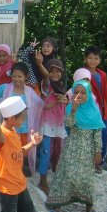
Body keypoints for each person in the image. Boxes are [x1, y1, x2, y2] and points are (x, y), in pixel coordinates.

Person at [47, 79, 104, 212]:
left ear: (89, 94)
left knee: (86, 177)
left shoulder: (94, 111)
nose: (79, 95)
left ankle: (89, 205)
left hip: (87, 150)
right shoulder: (70, 108)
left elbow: (97, 134)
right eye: (76, 92)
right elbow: (69, 124)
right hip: (72, 147)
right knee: (66, 174)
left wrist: (98, 152)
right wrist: (73, 110)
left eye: (83, 93)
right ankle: (56, 203)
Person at [0, 62, 43, 175]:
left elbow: (40, 105)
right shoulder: (5, 88)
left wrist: (56, 103)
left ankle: (18, 171)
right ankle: (9, 171)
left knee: (21, 152)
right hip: (8, 129)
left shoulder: (30, 91)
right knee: (9, 151)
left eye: (19, 76)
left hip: (24, 128)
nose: (16, 79)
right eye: (14, 76)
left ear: (26, 77)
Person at [37, 59, 69, 194]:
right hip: (46, 124)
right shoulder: (46, 85)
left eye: (58, 71)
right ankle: (42, 181)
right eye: (51, 71)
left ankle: (56, 173)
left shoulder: (61, 86)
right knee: (46, 151)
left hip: (59, 123)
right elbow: (44, 106)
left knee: (58, 149)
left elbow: (65, 104)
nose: (55, 74)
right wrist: (39, 64)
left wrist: (65, 101)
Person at [83, 46, 107, 171]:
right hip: (90, 112)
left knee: (104, 137)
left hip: (103, 112)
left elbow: (106, 94)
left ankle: (99, 164)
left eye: (95, 58)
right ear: (85, 59)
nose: (92, 60)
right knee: (90, 139)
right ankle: (89, 164)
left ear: (99, 60)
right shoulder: (83, 73)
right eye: (90, 58)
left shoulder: (103, 75)